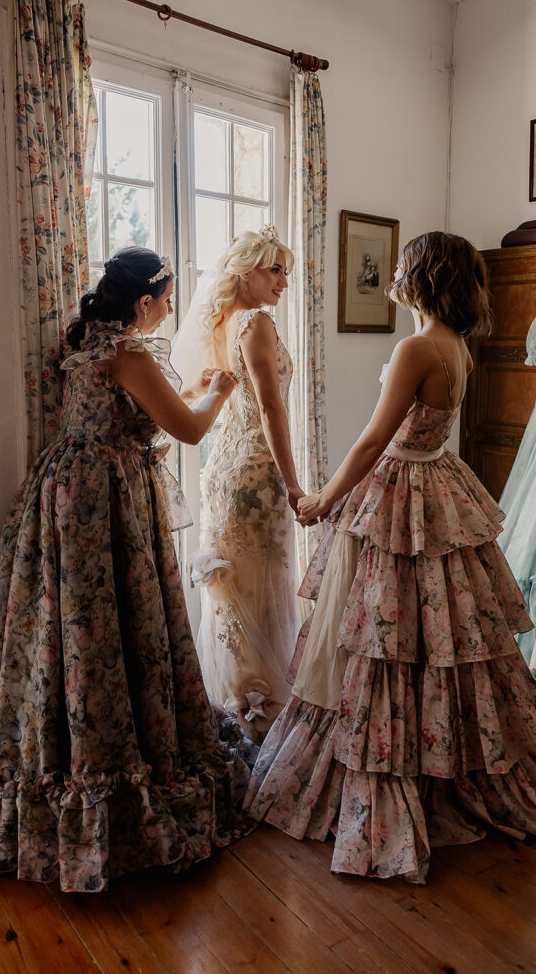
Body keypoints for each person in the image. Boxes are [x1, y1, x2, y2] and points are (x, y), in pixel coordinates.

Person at [245, 231, 536, 884]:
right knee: (432, 633)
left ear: (423, 276)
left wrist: (322, 497)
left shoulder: (416, 345)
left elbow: (374, 439)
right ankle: (439, 746)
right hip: (435, 481)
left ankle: (387, 757)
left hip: (399, 489)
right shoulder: (455, 344)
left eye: (405, 266)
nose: (396, 274)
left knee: (385, 636)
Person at [0, 247, 254, 892]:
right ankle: (103, 769)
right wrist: (217, 392)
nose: (174, 308)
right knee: (106, 629)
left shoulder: (87, 345)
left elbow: (136, 410)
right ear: (144, 302)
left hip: (65, 492)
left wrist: (184, 392)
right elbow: (185, 429)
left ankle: (58, 745)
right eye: (168, 297)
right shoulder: (127, 352)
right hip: (103, 503)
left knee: (65, 630)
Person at [172, 226, 303, 743]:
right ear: (245, 271)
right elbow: (271, 408)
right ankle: (264, 714)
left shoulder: (221, 321)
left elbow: (193, 391)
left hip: (225, 469)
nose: (283, 283)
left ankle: (241, 705)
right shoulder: (256, 322)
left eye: (286, 273)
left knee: (238, 587)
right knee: (260, 586)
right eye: (276, 271)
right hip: (256, 472)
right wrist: (294, 486)